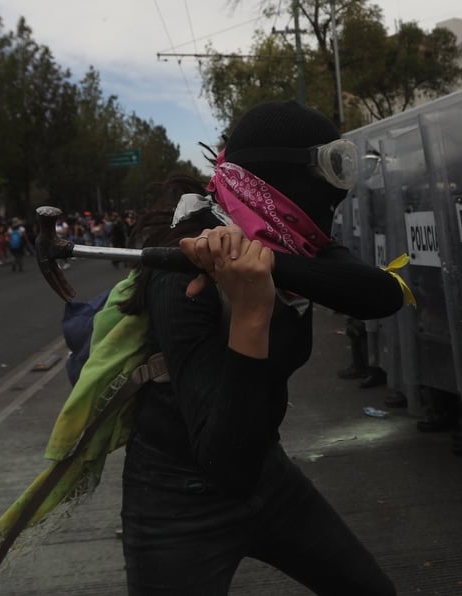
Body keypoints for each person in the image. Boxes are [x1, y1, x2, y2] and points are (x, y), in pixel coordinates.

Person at [116, 100, 404, 595]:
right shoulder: (183, 273)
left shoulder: (290, 240)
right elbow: (224, 463)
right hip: (176, 497)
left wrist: (264, 264)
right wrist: (250, 310)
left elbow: (381, 293)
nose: (339, 189)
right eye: (333, 167)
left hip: (265, 470)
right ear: (283, 177)